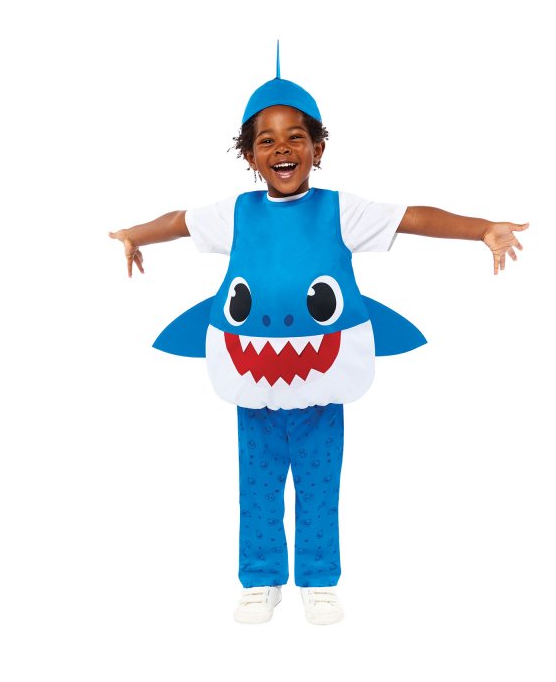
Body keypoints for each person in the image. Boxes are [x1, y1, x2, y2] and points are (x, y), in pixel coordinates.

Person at [109, 61, 528, 625]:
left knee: (319, 485)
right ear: (249, 155)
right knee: (257, 486)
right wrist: (135, 235)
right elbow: (179, 222)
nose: (282, 149)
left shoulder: (340, 210)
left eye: (295, 138)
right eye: (266, 141)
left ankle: (319, 580)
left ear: (318, 148)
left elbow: (414, 217)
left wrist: (481, 229)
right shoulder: (235, 214)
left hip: (319, 382)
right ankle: (261, 579)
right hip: (255, 380)